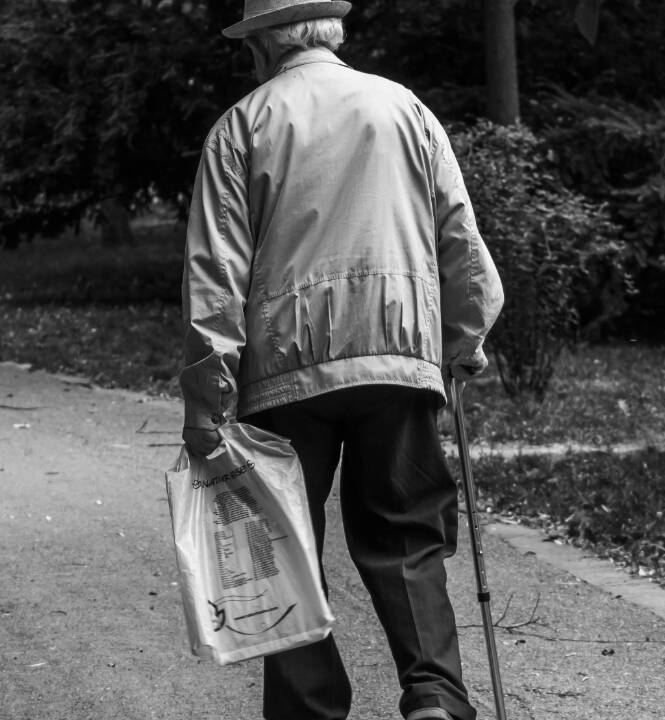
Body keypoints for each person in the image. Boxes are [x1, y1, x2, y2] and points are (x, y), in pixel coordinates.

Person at [179, 2, 505, 720]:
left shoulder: (242, 126)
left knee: (284, 544)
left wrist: (207, 400)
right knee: (407, 533)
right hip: (397, 358)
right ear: (332, 33)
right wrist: (463, 339)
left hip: (283, 371)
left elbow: (215, 275)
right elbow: (459, 235)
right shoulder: (404, 108)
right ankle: (434, 698)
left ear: (262, 45)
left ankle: (309, 711)